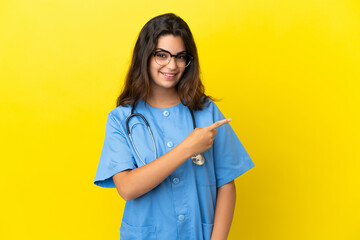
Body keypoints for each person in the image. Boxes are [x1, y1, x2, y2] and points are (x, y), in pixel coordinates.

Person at [94, 13, 255, 240]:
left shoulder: (206, 111)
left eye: (180, 57)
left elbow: (226, 184)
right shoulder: (121, 119)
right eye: (162, 55)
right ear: (145, 57)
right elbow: (127, 188)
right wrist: (188, 148)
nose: (172, 65)